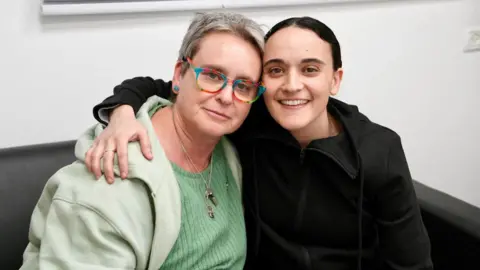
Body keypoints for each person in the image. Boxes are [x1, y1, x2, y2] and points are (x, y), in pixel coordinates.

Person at [87, 17, 433, 270]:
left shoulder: (378, 150)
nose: (292, 85)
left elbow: (411, 263)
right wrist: (122, 113)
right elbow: (162, 85)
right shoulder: (242, 114)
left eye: (310, 69)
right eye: (276, 70)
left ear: (335, 79)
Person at [20, 12, 266, 270]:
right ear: (180, 75)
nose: (227, 97)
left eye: (243, 85)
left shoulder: (229, 151)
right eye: (213, 76)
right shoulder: (111, 181)